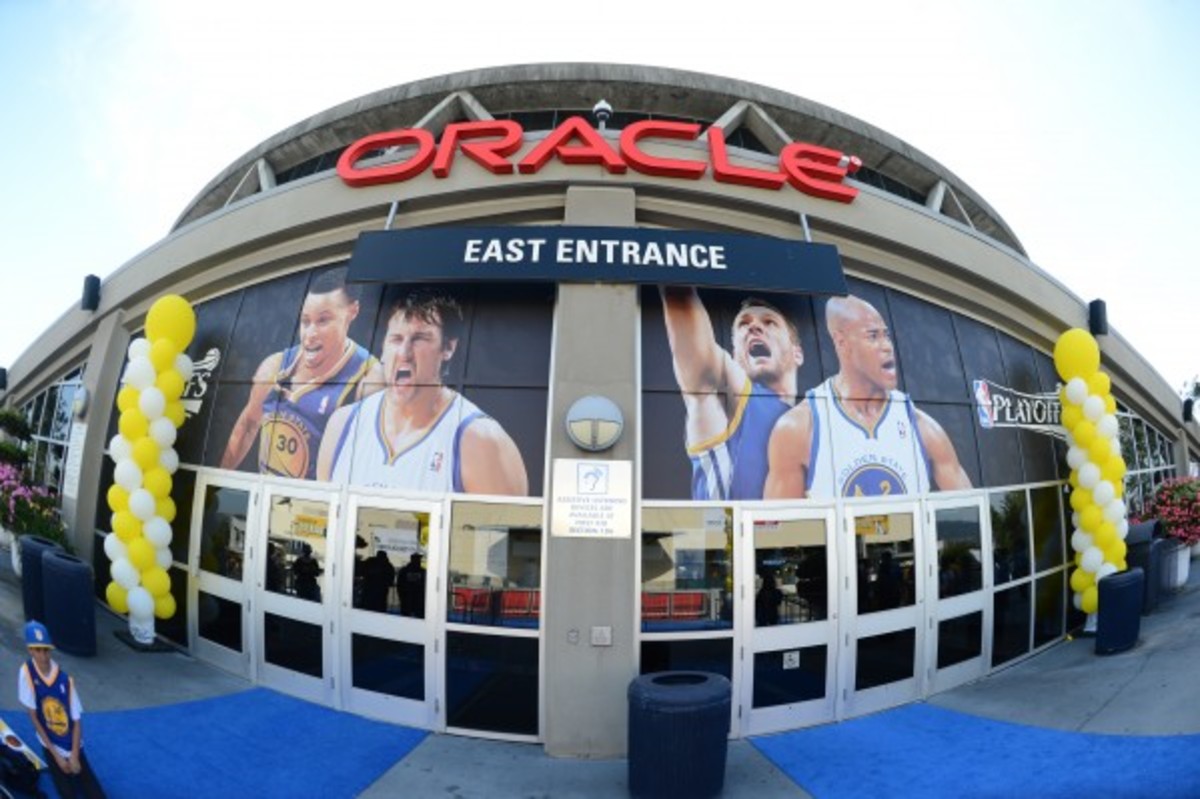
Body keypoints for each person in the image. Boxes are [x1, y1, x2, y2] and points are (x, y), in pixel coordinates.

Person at [316, 291, 528, 494]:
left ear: (448, 348)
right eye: (396, 339)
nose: (404, 353)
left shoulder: (481, 440)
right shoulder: (343, 425)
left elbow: (504, 531)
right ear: (382, 348)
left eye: (419, 339)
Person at [765, 294, 972, 498]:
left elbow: (970, 511)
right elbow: (777, 527)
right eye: (873, 336)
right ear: (842, 343)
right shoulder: (798, 428)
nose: (887, 346)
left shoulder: (923, 427)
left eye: (886, 335)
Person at [220, 267, 379, 480]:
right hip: (267, 501)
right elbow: (248, 425)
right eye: (305, 321)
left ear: (352, 311)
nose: (310, 334)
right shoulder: (274, 366)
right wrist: (217, 484)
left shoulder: (369, 378)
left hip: (315, 508)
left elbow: (369, 463)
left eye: (323, 320)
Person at [660, 287, 804, 500]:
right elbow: (700, 357)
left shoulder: (817, 422)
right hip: (727, 533)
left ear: (797, 353)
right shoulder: (727, 397)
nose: (754, 326)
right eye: (744, 324)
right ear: (735, 355)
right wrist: (674, 263)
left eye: (769, 322)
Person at [17, 621, 106, 799]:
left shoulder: (65, 680)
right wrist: (56, 756)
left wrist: (74, 755)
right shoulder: (26, 673)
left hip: (71, 743)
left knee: (97, 796)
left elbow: (76, 721)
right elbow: (34, 717)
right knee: (67, 794)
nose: (42, 656)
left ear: (51, 650)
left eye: (46, 650)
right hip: (51, 745)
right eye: (37, 650)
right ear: (30, 650)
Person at [396, 553, 427, 618]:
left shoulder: (404, 571)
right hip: (413, 602)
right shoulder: (422, 572)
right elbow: (399, 586)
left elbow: (399, 586)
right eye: (418, 559)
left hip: (412, 602)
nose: (419, 561)